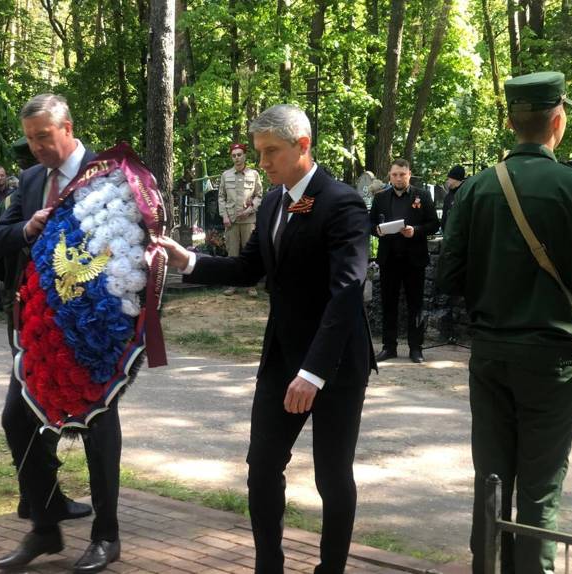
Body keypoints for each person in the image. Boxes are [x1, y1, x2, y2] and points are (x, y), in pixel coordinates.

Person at [156, 104, 376, 574]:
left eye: (271, 152)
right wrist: (187, 261)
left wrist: (313, 373)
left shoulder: (342, 203)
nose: (262, 163)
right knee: (261, 469)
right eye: (258, 153)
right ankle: (268, 567)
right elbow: (247, 267)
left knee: (332, 478)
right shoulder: (274, 202)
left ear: (303, 145)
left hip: (334, 365)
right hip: (281, 358)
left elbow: (346, 292)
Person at [436, 71, 572, 574]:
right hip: (552, 361)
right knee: (540, 491)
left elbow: (446, 277)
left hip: (490, 356)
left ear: (510, 121)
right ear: (557, 121)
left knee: (489, 481)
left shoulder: (475, 189)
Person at [0, 93, 121, 573]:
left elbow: (132, 250)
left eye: (43, 136)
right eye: (30, 139)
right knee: (16, 421)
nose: (37, 147)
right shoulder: (28, 181)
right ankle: (46, 526)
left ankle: (107, 535)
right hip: (39, 331)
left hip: (94, 330)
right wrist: (28, 227)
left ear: (68, 127)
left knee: (97, 430)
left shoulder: (108, 179)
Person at [369, 159, 440, 363]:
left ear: (409, 174)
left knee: (415, 305)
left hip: (414, 259)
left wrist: (415, 231)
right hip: (389, 258)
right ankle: (388, 347)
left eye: (402, 174)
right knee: (388, 304)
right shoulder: (381, 197)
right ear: (389, 176)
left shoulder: (422, 196)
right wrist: (377, 230)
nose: (398, 178)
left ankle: (416, 348)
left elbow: (434, 224)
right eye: (394, 175)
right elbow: (371, 223)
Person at [217, 142, 264, 296]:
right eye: (234, 155)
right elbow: (221, 197)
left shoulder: (254, 174)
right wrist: (224, 216)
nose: (236, 158)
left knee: (249, 253)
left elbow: (259, 195)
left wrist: (251, 209)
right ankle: (233, 284)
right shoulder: (226, 175)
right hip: (231, 220)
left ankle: (251, 285)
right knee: (232, 253)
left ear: (245, 156)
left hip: (248, 219)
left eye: (239, 155)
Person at [441, 164, 466, 232]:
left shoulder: (464, 194)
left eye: (449, 178)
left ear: (454, 179)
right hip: (447, 234)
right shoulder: (449, 195)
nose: (447, 181)